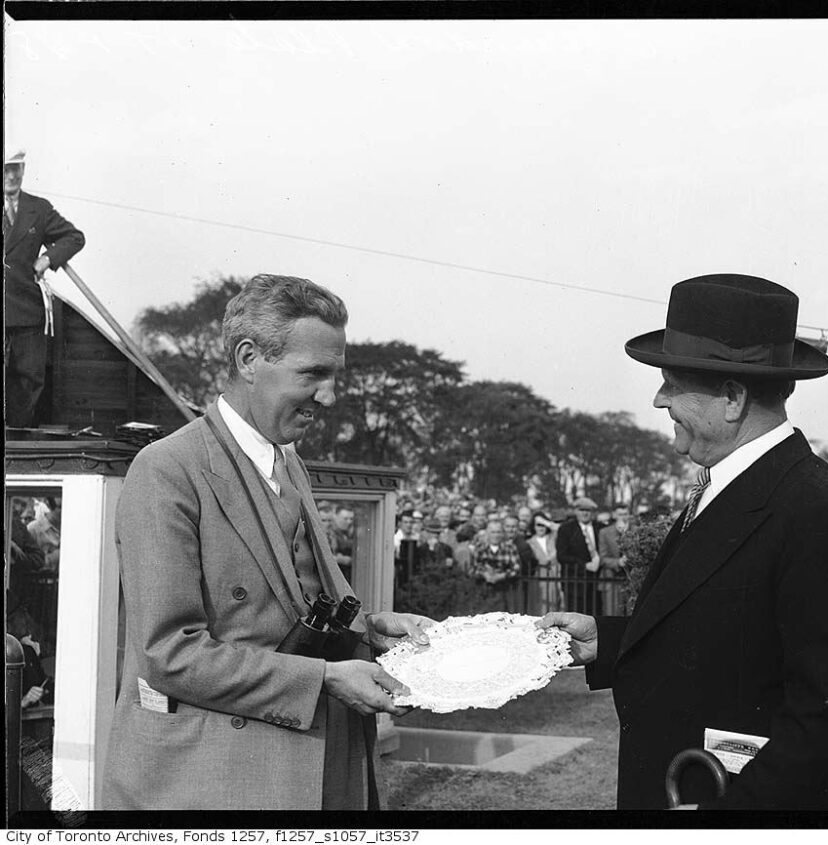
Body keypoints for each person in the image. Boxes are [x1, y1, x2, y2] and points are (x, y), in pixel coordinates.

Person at [540, 274, 828, 811]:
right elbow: (722, 633)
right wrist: (606, 641)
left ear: (731, 398)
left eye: (672, 384)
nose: (659, 400)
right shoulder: (739, 486)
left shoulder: (815, 512)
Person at [100, 275, 433, 811]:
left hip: (308, 769)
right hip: (214, 783)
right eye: (313, 374)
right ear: (249, 359)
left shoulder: (287, 461)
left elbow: (286, 613)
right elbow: (169, 653)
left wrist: (369, 630)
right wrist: (324, 679)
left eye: (335, 375)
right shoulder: (166, 469)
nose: (329, 396)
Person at [3, 150, 86, 428]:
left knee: (28, 380)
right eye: (5, 169)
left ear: (23, 170)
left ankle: (17, 442)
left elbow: (73, 237)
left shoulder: (38, 208)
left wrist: (48, 258)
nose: (11, 176)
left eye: (16, 168)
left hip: (27, 312)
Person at [556, 496, 604, 616]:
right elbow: (561, 556)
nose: (585, 513)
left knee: (596, 616)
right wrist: (584, 565)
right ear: (576, 511)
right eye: (581, 510)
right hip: (575, 583)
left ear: (592, 512)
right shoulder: (566, 529)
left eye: (588, 510)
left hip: (597, 583)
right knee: (575, 618)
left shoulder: (600, 528)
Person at [471, 519, 522, 612]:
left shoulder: (510, 548)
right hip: (484, 590)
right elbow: (473, 568)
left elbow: (516, 568)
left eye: (498, 532)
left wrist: (502, 575)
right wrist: (484, 574)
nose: (496, 535)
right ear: (487, 533)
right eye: (493, 532)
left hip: (505, 590)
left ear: (503, 533)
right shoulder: (480, 548)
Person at [597, 503, 630, 616]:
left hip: (631, 579)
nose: (623, 517)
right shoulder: (605, 532)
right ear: (614, 515)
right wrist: (618, 562)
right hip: (611, 579)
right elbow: (602, 558)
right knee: (612, 614)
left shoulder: (636, 530)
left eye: (625, 514)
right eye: (620, 514)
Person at [526, 512, 561, 614]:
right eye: (538, 525)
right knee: (541, 606)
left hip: (556, 575)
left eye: (543, 525)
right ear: (533, 526)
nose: (541, 528)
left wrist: (546, 522)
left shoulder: (553, 537)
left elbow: (562, 529)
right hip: (540, 577)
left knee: (557, 606)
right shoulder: (529, 542)